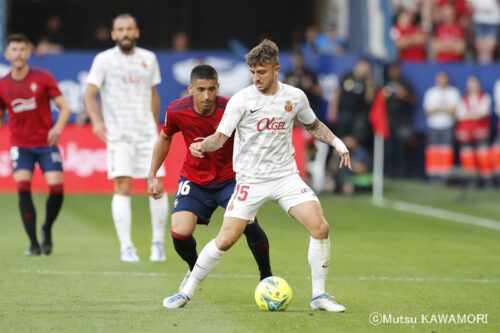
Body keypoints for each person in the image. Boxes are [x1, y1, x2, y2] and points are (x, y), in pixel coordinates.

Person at [163, 39, 351, 312]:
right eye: (252, 72)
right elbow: (219, 138)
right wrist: (201, 145)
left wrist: (337, 143)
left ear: (276, 69)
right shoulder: (241, 100)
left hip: (286, 177)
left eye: (261, 72)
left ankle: (319, 295)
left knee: (320, 227)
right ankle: (186, 291)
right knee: (226, 239)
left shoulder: (295, 97)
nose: (256, 78)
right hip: (250, 181)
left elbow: (313, 125)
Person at [148, 64, 272, 287]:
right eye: (201, 89)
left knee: (250, 224)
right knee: (180, 232)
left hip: (230, 179)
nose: (206, 96)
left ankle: (266, 277)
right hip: (194, 180)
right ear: (190, 89)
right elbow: (165, 138)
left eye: (212, 89)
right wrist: (152, 175)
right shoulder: (176, 110)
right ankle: (195, 271)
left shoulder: (232, 107)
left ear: (218, 88)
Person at [84, 14, 168, 262]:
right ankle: (126, 246)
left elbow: (153, 94)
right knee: (122, 186)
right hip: (118, 134)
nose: (125, 33)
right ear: (113, 34)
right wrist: (97, 121)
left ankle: (157, 243)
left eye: (129, 29)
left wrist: (154, 125)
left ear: (137, 32)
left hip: (145, 134)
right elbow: (90, 94)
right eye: (120, 29)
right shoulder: (104, 60)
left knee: (157, 186)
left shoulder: (148, 59)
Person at [0, 33, 71, 255]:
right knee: (22, 188)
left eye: (22, 49)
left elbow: (65, 107)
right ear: (7, 54)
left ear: (28, 53)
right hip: (20, 146)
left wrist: (57, 128)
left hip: (45, 142)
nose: (18, 53)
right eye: (14, 49)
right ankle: (33, 243)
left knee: (57, 189)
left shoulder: (42, 77)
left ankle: (46, 228)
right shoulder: (2, 85)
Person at [422, 71, 460, 183]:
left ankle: (445, 175)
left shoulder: (453, 92)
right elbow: (428, 111)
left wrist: (438, 109)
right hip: (433, 125)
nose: (442, 81)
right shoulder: (431, 92)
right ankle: (433, 175)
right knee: (433, 151)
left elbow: (453, 111)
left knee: (446, 151)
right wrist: (444, 109)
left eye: (444, 78)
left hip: (447, 125)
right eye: (440, 78)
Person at [455, 76, 493, 187]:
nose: (473, 86)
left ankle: (487, 181)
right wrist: (473, 115)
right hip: (465, 132)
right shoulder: (463, 99)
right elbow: (459, 115)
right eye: (470, 84)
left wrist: (468, 115)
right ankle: (471, 181)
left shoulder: (485, 97)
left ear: (479, 85)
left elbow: (483, 113)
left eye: (475, 84)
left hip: (481, 131)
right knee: (467, 156)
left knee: (483, 156)